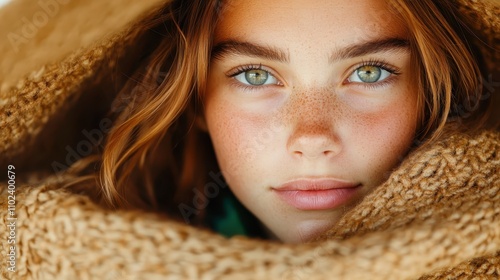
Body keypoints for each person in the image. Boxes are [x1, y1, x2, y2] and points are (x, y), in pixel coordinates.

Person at [0, 0, 498, 278]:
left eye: (369, 72)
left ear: (431, 91)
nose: (312, 137)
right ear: (197, 101)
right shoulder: (27, 253)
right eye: (256, 76)